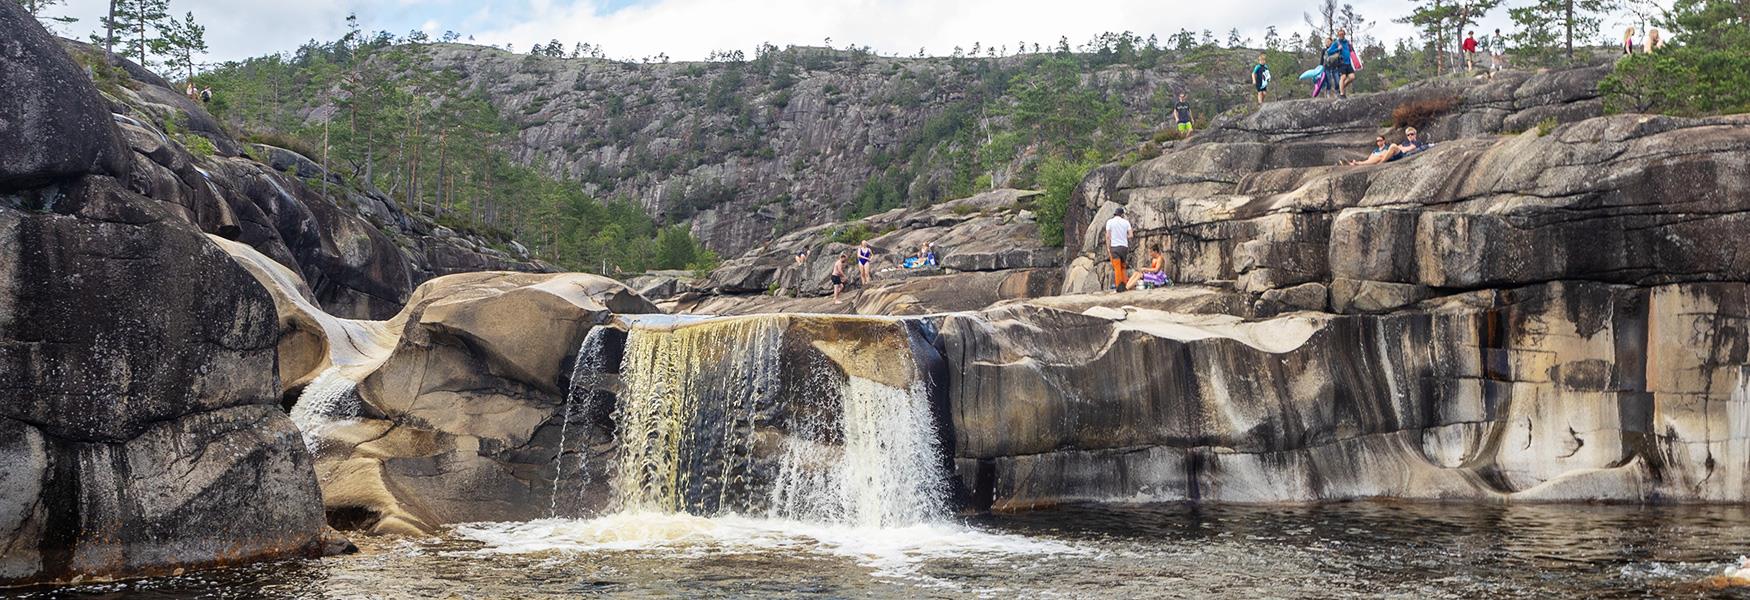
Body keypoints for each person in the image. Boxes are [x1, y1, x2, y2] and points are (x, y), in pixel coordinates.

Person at [1346, 127, 1429, 166]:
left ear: (1415, 134)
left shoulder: (1417, 142)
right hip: (1397, 153)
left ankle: (1382, 163)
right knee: (1380, 155)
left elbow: (1410, 148)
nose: (1410, 136)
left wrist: (1401, 148)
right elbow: (1401, 147)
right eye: (1408, 135)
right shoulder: (1405, 142)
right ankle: (1358, 163)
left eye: (1412, 134)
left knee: (1392, 146)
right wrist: (1401, 148)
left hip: (1402, 155)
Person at [1104, 206, 1133, 292]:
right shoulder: (1126, 222)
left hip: (1115, 247)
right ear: (1122, 214)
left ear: (1115, 214)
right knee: (1123, 266)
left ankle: (1119, 287)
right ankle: (1125, 286)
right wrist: (1124, 236)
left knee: (1117, 267)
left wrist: (1108, 248)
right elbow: (1131, 235)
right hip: (1124, 247)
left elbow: (1108, 236)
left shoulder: (1110, 222)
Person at [1326, 29, 1356, 98]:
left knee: (1352, 77)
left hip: (1348, 62)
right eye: (1340, 34)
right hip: (1341, 62)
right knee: (1343, 77)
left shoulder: (1347, 42)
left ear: (1344, 34)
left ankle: (1340, 88)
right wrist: (1338, 49)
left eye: (1342, 34)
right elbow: (1329, 51)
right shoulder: (1336, 43)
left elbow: (1351, 51)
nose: (1341, 35)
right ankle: (1342, 94)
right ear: (1338, 35)